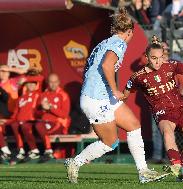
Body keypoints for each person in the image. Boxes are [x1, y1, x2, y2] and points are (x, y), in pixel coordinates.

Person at [64, 8, 168, 184]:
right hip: (97, 98)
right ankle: (75, 162)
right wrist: (114, 90)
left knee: (134, 126)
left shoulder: (105, 42)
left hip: (99, 95)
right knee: (110, 142)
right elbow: (106, 65)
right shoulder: (119, 43)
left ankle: (143, 172)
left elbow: (93, 68)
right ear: (129, 32)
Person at [123, 36, 183, 178]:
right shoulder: (138, 77)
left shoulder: (170, 65)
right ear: (146, 57)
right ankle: (176, 164)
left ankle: (182, 169)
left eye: (160, 57)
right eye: (153, 58)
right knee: (167, 131)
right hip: (162, 110)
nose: (158, 61)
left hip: (181, 106)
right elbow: (125, 94)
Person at [23, 73, 70, 162]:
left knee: (39, 125)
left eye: (55, 82)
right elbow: (36, 113)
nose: (53, 84)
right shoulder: (43, 95)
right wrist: (42, 109)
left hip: (57, 124)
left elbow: (65, 114)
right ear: (48, 82)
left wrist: (50, 108)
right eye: (51, 82)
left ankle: (48, 151)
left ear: (59, 82)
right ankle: (34, 151)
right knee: (25, 126)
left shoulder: (63, 95)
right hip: (43, 122)